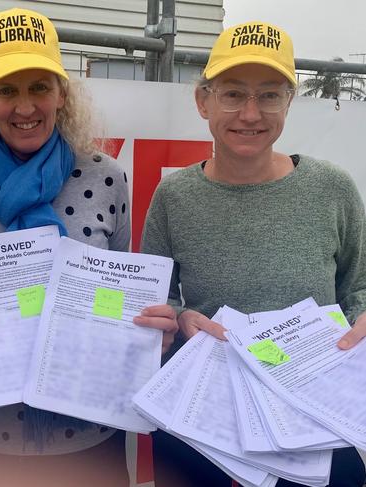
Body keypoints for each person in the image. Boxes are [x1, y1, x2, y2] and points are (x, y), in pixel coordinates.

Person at [0, 7, 177, 486]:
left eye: (40, 87)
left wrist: (141, 327)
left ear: (62, 93)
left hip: (88, 433)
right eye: (6, 90)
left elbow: (116, 288)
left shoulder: (106, 175)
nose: (25, 106)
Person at [141, 21, 366, 486]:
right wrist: (181, 319)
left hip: (314, 423)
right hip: (204, 425)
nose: (250, 113)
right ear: (203, 101)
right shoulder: (173, 196)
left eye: (269, 95)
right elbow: (159, 300)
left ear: (289, 102)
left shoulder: (333, 188)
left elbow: (360, 288)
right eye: (232, 94)